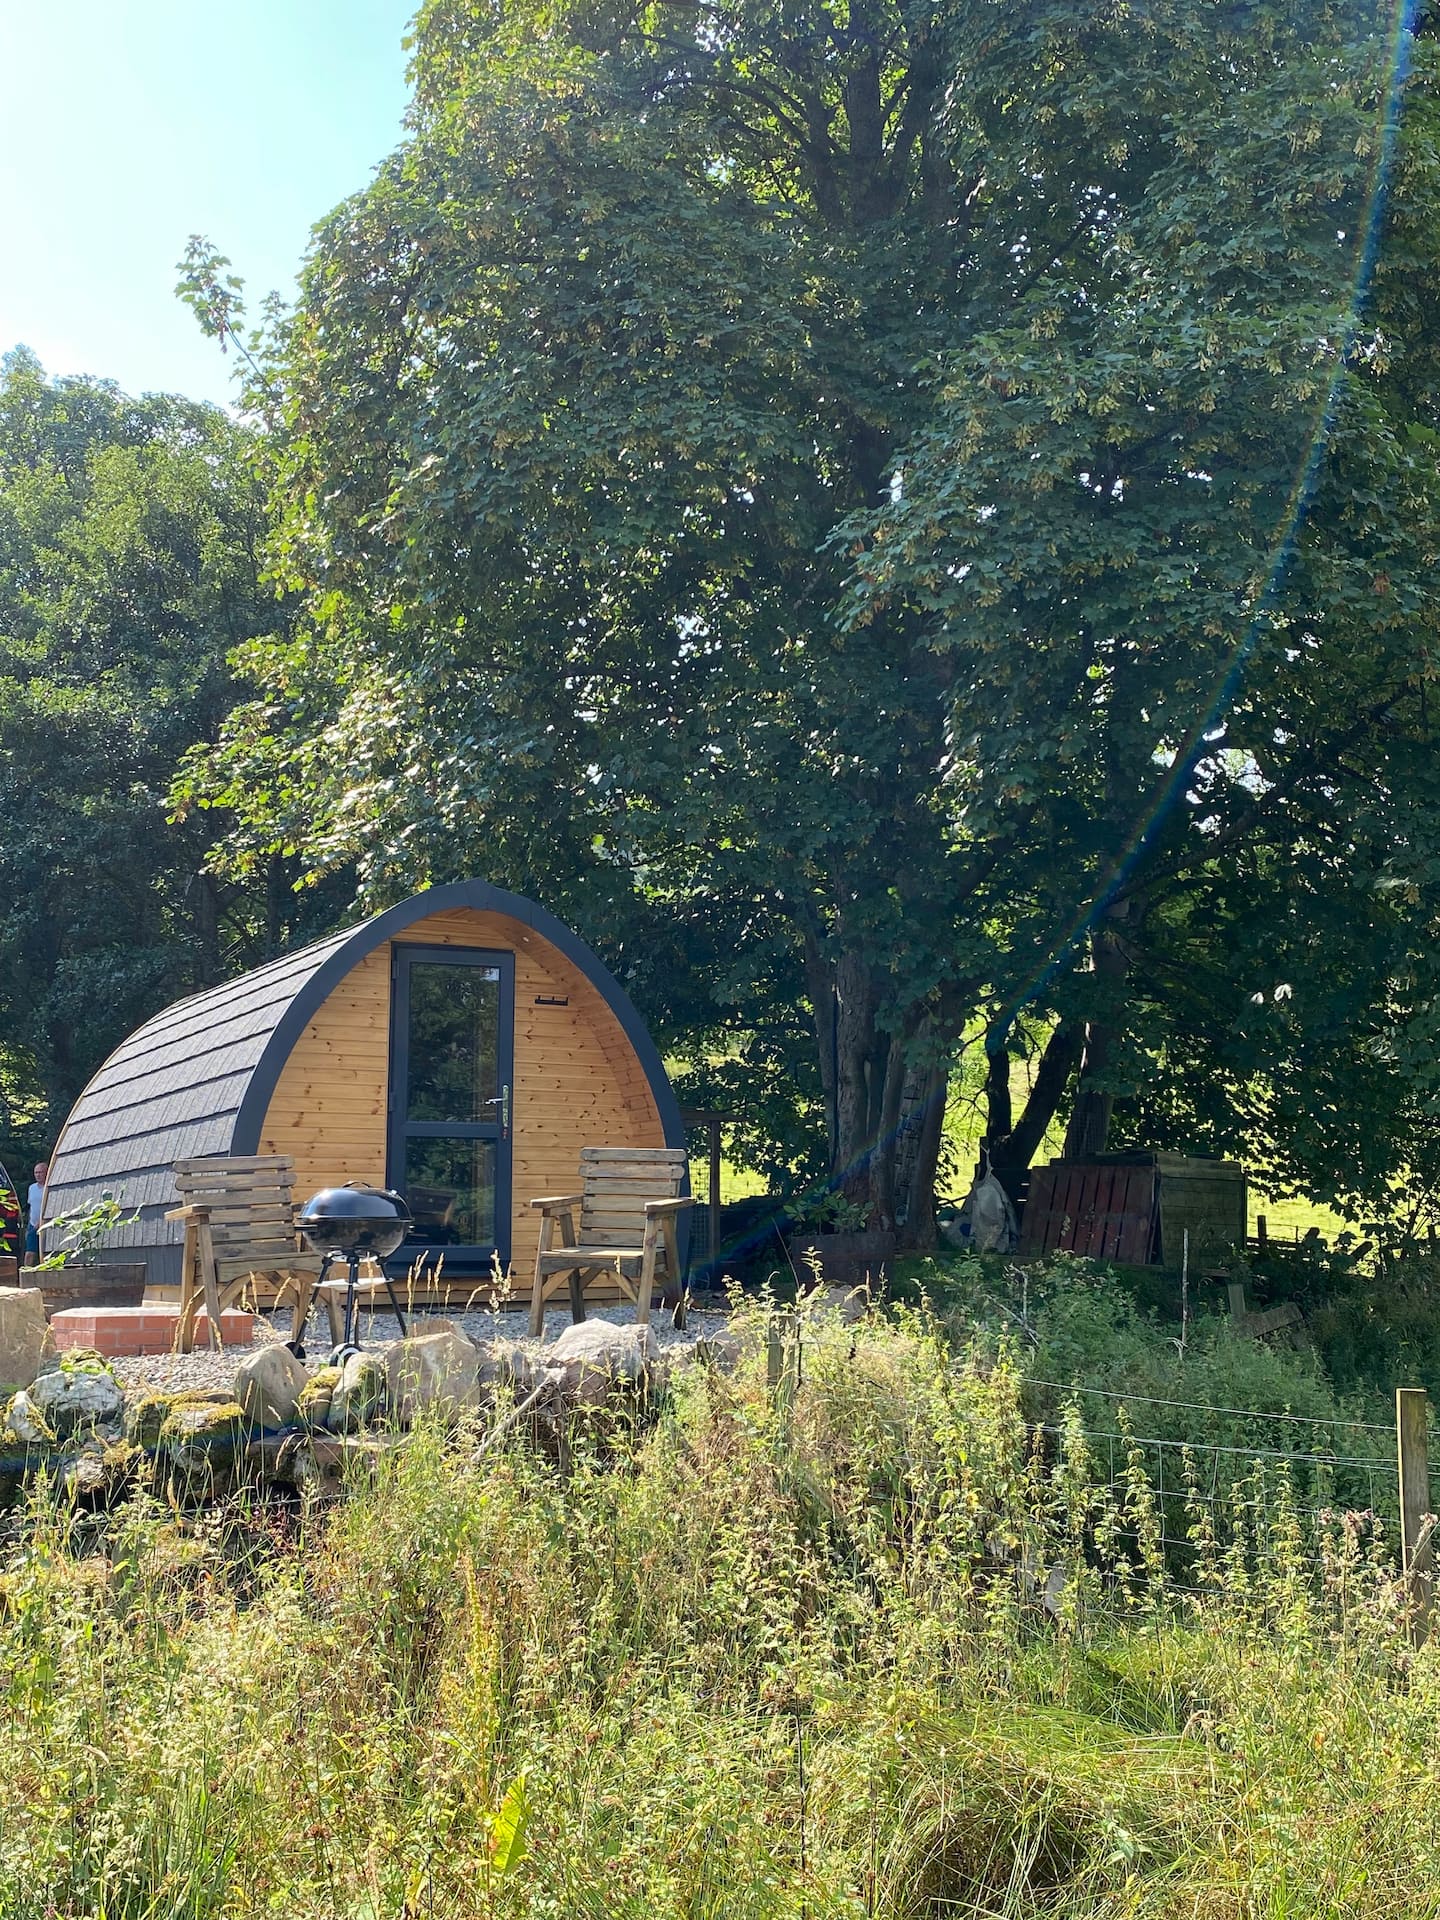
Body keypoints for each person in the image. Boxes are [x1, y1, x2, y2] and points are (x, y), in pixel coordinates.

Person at [24, 1161, 47, 1266]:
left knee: (44, 1254)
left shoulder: (49, 1188)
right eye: (36, 1172)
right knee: (29, 1253)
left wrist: (41, 1221)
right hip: (32, 1225)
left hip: (45, 1224)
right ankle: (26, 1272)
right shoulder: (32, 1188)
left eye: (40, 1172)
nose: (38, 1175)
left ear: (46, 1172)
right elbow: (31, 1207)